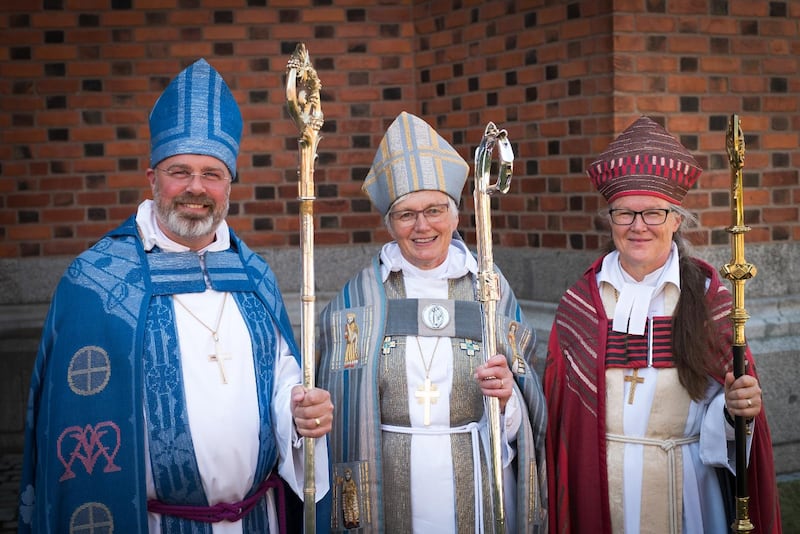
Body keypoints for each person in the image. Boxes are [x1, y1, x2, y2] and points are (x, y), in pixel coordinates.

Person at [18, 58, 333, 533]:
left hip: (257, 520)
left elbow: (282, 380)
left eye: (212, 174)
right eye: (179, 171)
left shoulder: (252, 275)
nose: (195, 189)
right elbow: (71, 433)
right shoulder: (97, 283)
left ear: (229, 185)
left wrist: (298, 409)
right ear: (152, 179)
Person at [544, 116, 782, 533]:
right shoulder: (580, 304)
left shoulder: (711, 302)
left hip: (689, 489)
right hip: (603, 491)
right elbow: (561, 423)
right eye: (624, 213)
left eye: (653, 213)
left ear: (676, 219)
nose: (638, 226)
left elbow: (726, 419)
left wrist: (733, 412)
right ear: (609, 218)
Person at [316, 111, 547, 532]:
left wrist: (507, 402)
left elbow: (529, 402)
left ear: (457, 215)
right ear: (389, 223)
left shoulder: (490, 290)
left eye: (435, 210)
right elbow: (332, 404)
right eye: (406, 215)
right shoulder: (358, 301)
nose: (422, 226)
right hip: (383, 487)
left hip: (477, 477)